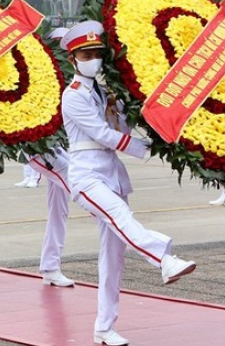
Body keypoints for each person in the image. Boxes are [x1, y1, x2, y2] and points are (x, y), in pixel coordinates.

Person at [60, 20, 196, 346]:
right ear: (73, 59)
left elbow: (124, 122)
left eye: (97, 52)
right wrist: (145, 149)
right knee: (122, 217)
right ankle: (164, 260)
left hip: (112, 176)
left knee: (112, 258)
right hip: (87, 177)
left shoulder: (107, 92)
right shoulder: (73, 96)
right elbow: (104, 135)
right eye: (86, 53)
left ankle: (104, 328)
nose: (93, 58)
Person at [22, 148, 75, 287]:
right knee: (84, 188)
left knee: (59, 210)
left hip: (56, 148)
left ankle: (50, 268)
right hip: (40, 149)